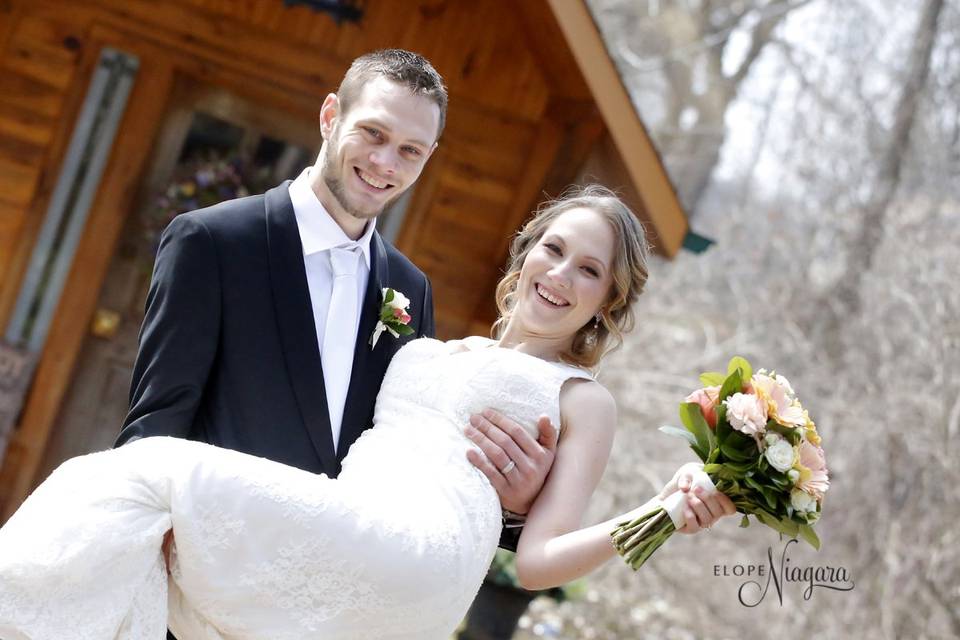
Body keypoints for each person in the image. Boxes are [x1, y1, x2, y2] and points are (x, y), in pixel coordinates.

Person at [0, 186, 736, 639]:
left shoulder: (582, 398)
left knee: (147, 472)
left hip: (423, 550)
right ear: (526, 252)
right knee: (136, 537)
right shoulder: (438, 341)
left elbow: (539, 561)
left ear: (609, 299)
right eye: (555, 248)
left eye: (590, 270)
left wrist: (662, 514)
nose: (561, 275)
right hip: (349, 514)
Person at [115, 49, 556, 548]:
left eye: (410, 150)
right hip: (202, 557)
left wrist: (514, 508)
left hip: (326, 585)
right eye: (374, 133)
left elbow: (412, 455)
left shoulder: (411, 289)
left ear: (428, 157)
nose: (385, 163)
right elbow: (155, 425)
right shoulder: (213, 242)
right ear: (330, 116)